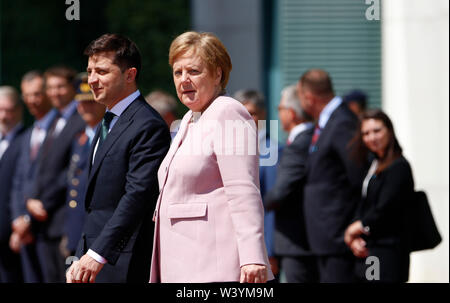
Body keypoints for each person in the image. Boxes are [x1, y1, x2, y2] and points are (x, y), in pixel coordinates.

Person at [150, 31, 273, 283]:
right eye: (177, 72)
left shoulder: (228, 111)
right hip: (183, 264)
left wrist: (252, 256)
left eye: (193, 71)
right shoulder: (187, 119)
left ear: (218, 74)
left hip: (214, 267)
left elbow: (243, 190)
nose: (184, 80)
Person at [66, 33, 171, 283]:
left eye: (102, 71)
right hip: (93, 259)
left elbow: (136, 196)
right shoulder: (108, 120)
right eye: (90, 71)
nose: (92, 80)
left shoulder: (147, 125)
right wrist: (83, 255)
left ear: (130, 75)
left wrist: (98, 253)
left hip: (123, 261)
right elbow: (97, 205)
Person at [297, 69, 365, 283]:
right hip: (325, 238)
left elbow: (358, 176)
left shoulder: (342, 121)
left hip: (337, 237)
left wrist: (354, 227)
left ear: (309, 97)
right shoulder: (328, 121)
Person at [26, 65, 85, 282]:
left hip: (61, 218)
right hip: (43, 222)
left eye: (60, 87)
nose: (54, 92)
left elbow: (72, 170)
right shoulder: (52, 119)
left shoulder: (81, 119)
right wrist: (29, 200)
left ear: (71, 88)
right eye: (50, 88)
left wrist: (43, 202)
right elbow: (40, 168)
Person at [344, 109, 413, 282]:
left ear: (389, 130)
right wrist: (355, 238)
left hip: (388, 252)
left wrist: (356, 228)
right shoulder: (372, 164)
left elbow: (385, 208)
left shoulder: (399, 167)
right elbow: (364, 203)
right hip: (369, 250)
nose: (371, 137)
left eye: (377, 131)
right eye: (366, 133)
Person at [264, 84, 319, 283]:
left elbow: (280, 192)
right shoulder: (309, 137)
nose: (278, 114)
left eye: (280, 109)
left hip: (296, 240)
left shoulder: (301, 142)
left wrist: (255, 205)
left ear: (292, 112)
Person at [10, 70, 56, 282]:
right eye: (27, 95)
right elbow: (18, 180)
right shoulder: (26, 135)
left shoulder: (61, 129)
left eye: (37, 94)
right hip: (25, 233)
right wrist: (18, 218)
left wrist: (28, 218)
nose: (32, 100)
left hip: (49, 228)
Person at [233, 89, 281, 279]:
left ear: (263, 115)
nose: (246, 119)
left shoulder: (274, 151)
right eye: (241, 113)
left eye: (251, 113)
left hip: (261, 252)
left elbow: (270, 205)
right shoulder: (227, 148)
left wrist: (269, 251)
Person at [61, 73, 106, 260]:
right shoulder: (79, 139)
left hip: (98, 237)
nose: (85, 107)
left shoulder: (108, 136)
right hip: (76, 230)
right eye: (81, 102)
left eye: (90, 101)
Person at [0, 86, 26, 282]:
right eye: (0, 110)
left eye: (8, 110)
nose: (3, 116)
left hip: (14, 234)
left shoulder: (26, 140)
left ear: (18, 110)